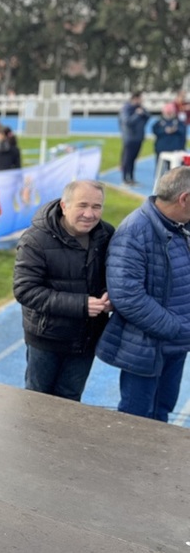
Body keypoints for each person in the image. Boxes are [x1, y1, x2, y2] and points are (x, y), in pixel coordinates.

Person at [96, 166, 190, 422]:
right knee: (136, 418)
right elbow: (127, 296)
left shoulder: (180, 225)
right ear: (184, 198)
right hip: (148, 346)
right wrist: (177, 327)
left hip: (174, 345)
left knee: (162, 411)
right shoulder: (134, 231)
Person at [13, 180, 114, 401]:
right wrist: (82, 304)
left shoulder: (106, 234)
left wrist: (110, 296)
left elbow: (114, 276)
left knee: (71, 399)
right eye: (82, 205)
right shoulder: (35, 240)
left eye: (96, 207)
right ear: (64, 206)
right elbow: (25, 290)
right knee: (38, 399)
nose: (89, 214)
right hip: (46, 338)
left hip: (86, 338)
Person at [119, 90, 148, 185]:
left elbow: (148, 116)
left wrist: (142, 112)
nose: (142, 100)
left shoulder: (140, 108)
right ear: (135, 98)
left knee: (134, 159)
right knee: (127, 159)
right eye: (140, 98)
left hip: (138, 137)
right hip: (130, 138)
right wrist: (137, 114)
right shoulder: (126, 109)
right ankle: (125, 178)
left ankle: (131, 178)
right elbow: (127, 122)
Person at [151, 102, 186, 167]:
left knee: (176, 170)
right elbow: (155, 131)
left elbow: (183, 133)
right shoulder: (159, 123)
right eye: (167, 112)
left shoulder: (179, 123)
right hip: (162, 150)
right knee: (161, 169)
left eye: (170, 112)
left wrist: (175, 130)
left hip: (176, 151)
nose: (169, 114)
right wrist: (164, 130)